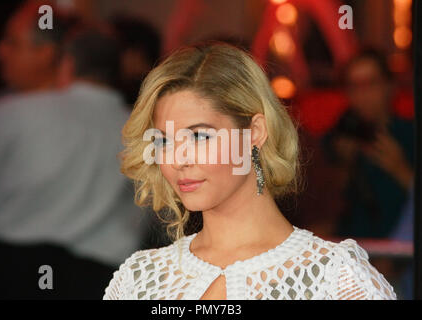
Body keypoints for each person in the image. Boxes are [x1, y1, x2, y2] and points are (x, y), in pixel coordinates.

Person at [103, 42, 396, 300]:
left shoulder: (336, 278)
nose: (179, 160)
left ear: (255, 132)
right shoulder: (141, 278)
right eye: (165, 141)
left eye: (200, 136)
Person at [0, 25, 147, 299]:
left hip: (5, 272)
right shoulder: (142, 133)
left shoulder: (15, 113)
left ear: (68, 64)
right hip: (98, 280)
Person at [323, 49, 414, 239]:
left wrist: (400, 169)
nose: (362, 95)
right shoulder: (337, 137)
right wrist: (343, 166)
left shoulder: (410, 134)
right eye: (354, 86)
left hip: (400, 250)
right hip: (351, 248)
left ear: (390, 86)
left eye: (371, 84)